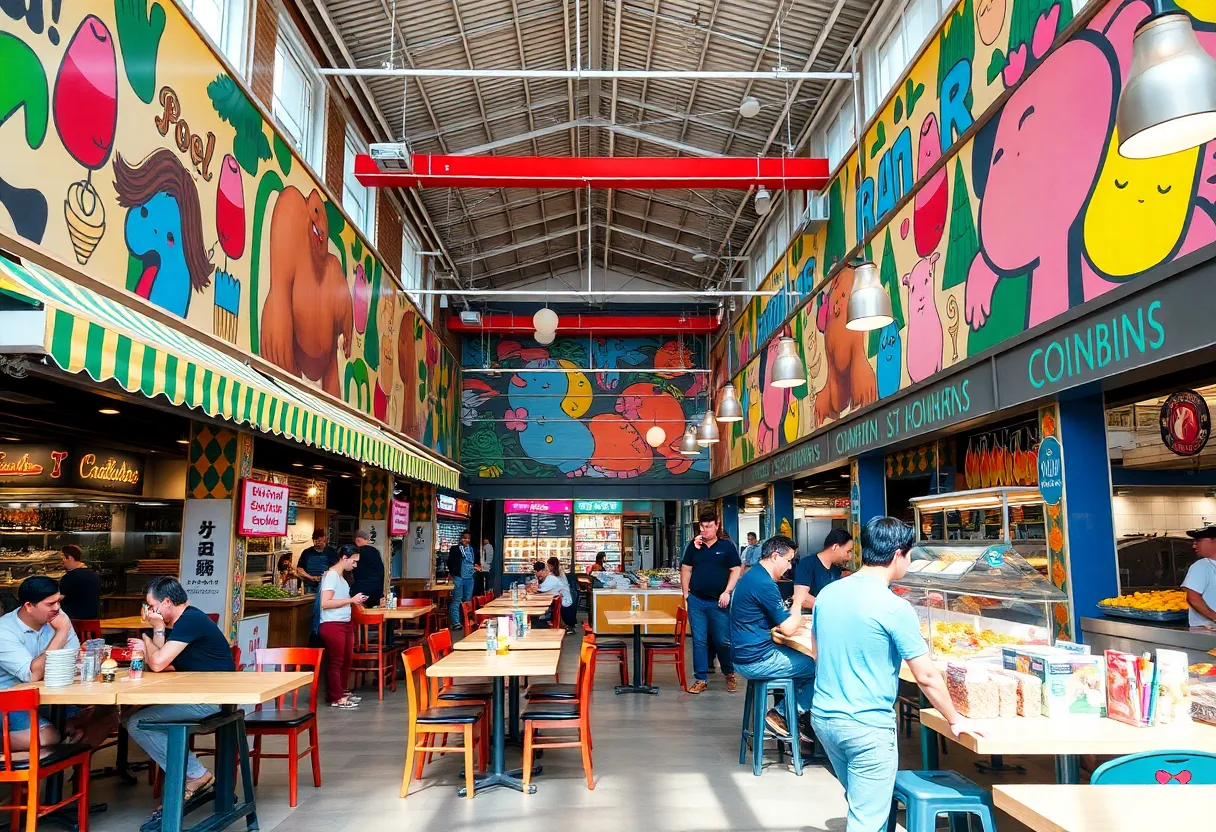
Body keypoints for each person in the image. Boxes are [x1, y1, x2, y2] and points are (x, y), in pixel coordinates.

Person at [811, 517, 979, 832]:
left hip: (824, 718)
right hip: (866, 726)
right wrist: (955, 720)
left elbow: (818, 653)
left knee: (862, 802)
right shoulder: (894, 607)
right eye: (910, 554)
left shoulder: (828, 595)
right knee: (866, 820)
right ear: (898, 554)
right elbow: (926, 676)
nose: (909, 561)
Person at [125, 577, 237, 809]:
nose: (149, 611)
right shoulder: (185, 620)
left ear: (166, 602)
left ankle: (196, 775)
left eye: (151, 606)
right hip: (199, 695)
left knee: (136, 722)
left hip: (211, 700)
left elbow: (156, 663)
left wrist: (146, 637)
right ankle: (193, 774)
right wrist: (157, 629)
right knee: (128, 716)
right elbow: (162, 664)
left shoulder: (190, 621)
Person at [0, 576, 115, 751]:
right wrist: (61, 633)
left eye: (58, 602)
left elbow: (75, 659)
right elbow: (32, 675)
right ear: (29, 606)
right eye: (50, 604)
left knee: (108, 715)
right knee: (48, 737)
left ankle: (75, 770)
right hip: (11, 703)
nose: (57, 608)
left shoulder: (59, 617)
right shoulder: (5, 630)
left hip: (49, 699)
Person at [729, 535, 816, 740]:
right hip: (756, 660)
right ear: (775, 556)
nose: (789, 567)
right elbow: (787, 628)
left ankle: (794, 718)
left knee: (805, 669)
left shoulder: (753, 576)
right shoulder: (764, 584)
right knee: (821, 667)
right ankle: (783, 714)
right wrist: (798, 601)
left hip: (745, 654)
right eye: (788, 561)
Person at [680, 506, 741, 693]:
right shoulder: (694, 546)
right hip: (696, 600)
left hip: (718, 601)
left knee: (722, 640)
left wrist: (728, 591)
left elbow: (736, 569)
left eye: (708, 526)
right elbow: (686, 569)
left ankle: (729, 673)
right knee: (699, 640)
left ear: (717, 526)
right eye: (702, 527)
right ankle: (701, 679)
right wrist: (686, 594)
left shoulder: (726, 546)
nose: (704, 530)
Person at [318, 544, 367, 709]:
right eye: (354, 561)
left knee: (346, 660)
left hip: (344, 622)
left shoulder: (341, 577)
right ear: (344, 558)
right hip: (333, 624)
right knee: (336, 662)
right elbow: (325, 603)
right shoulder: (332, 575)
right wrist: (351, 601)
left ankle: (343, 691)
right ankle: (336, 697)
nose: (355, 565)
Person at [791, 529, 853, 614]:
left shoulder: (835, 569)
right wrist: (830, 607)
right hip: (808, 618)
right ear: (835, 547)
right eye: (848, 551)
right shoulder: (807, 564)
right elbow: (801, 597)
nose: (849, 556)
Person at [1183, 525, 1216, 628]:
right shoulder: (1202, 566)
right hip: (1207, 630)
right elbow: (1193, 599)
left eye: (1198, 541)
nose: (1194, 545)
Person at [58, 544, 101, 621]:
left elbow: (59, 598)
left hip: (73, 621)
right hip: (92, 619)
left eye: (63, 558)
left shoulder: (69, 577)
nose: (62, 562)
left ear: (70, 558)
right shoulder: (93, 574)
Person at [447, 531, 478, 630]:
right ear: (460, 539)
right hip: (459, 577)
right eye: (464, 538)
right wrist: (454, 572)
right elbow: (450, 562)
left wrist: (476, 568)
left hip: (470, 578)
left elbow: (475, 562)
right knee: (456, 600)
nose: (466, 540)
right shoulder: (455, 549)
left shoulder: (472, 549)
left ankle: (467, 621)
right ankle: (456, 623)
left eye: (468, 538)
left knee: (467, 601)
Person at [533, 560, 576, 630]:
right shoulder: (546, 578)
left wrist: (531, 588)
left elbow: (539, 590)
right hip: (553, 603)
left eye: (537, 572)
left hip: (561, 603)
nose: (536, 575)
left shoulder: (551, 579)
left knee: (534, 616)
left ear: (543, 571)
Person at [351, 528, 385, 607]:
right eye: (367, 539)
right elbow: (381, 571)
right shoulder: (374, 551)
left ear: (358, 540)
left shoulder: (354, 553)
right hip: (376, 591)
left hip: (359, 591)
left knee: (359, 614)